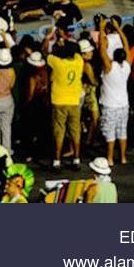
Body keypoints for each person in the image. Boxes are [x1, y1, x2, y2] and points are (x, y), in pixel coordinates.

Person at [96, 16, 131, 166]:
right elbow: (126, 45)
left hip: (110, 105)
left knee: (110, 134)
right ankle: (123, 157)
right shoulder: (127, 66)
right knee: (122, 132)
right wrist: (118, 28)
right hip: (123, 104)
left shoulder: (109, 68)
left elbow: (101, 49)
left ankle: (109, 158)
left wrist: (101, 28)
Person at [46, 33, 84, 169]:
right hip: (74, 101)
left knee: (59, 131)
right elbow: (77, 49)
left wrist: (55, 41)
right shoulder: (79, 61)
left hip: (58, 100)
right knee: (75, 132)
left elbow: (45, 52)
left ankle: (57, 160)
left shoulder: (57, 63)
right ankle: (77, 158)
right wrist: (66, 41)